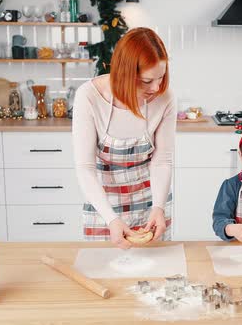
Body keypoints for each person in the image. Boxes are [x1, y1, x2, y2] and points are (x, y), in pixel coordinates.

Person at [72, 27, 176, 249]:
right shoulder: (89, 97)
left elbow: (162, 161)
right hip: (104, 205)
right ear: (124, 74)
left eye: (161, 77)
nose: (157, 88)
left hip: (151, 202)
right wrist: (111, 219)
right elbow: (85, 167)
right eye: (147, 80)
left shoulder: (164, 98)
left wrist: (158, 207)